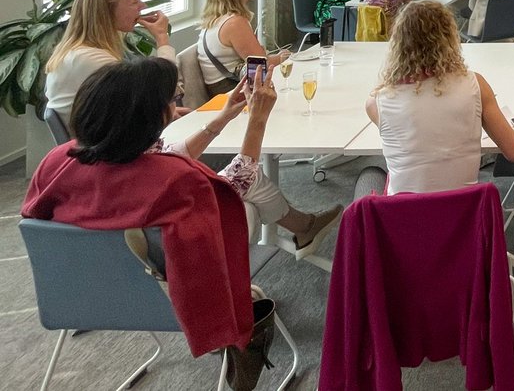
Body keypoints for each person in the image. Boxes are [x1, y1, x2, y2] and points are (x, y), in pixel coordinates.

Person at [24, 63, 340, 363]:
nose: (176, 105)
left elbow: (157, 160)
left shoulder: (56, 162)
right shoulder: (175, 180)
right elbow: (226, 191)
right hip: (164, 298)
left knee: (245, 185)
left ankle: (304, 226)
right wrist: (257, 119)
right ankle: (298, 233)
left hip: (79, 293)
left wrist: (221, 119)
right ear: (156, 116)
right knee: (245, 196)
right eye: (173, 99)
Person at [358, 0, 514, 195]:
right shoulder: (475, 86)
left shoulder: (376, 103)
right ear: (449, 39)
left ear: (398, 44)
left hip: (404, 220)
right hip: (463, 217)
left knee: (370, 175)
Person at [45, 0, 175, 123]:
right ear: (107, 12)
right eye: (134, 2)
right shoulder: (90, 59)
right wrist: (162, 37)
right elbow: (164, 89)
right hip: (102, 143)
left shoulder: (83, 51)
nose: (143, 6)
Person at [198, 0, 285, 95]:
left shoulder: (216, 20)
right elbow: (260, 66)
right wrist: (283, 57)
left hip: (222, 87)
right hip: (230, 90)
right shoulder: (235, 24)